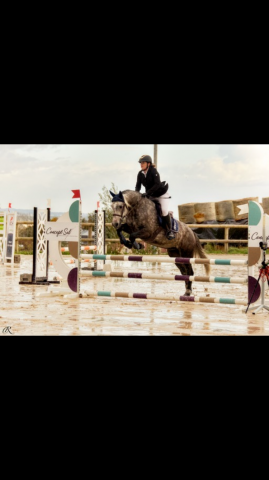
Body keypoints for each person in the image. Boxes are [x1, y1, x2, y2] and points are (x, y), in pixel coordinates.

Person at [135, 154, 175, 240]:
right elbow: (137, 186)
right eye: (140, 163)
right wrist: (136, 195)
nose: (141, 164)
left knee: (164, 210)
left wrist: (147, 193)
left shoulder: (153, 171)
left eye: (143, 163)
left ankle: (169, 230)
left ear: (148, 164)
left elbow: (157, 185)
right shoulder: (140, 174)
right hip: (151, 195)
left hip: (161, 194)